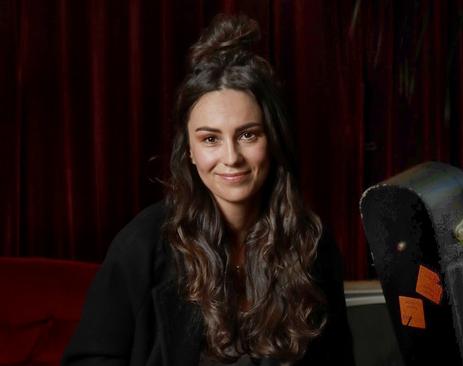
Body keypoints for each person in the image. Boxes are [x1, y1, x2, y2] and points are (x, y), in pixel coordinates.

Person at [63, 13, 355, 366]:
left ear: (273, 139)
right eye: (210, 139)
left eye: (248, 134)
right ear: (189, 150)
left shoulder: (314, 245)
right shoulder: (142, 245)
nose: (231, 157)